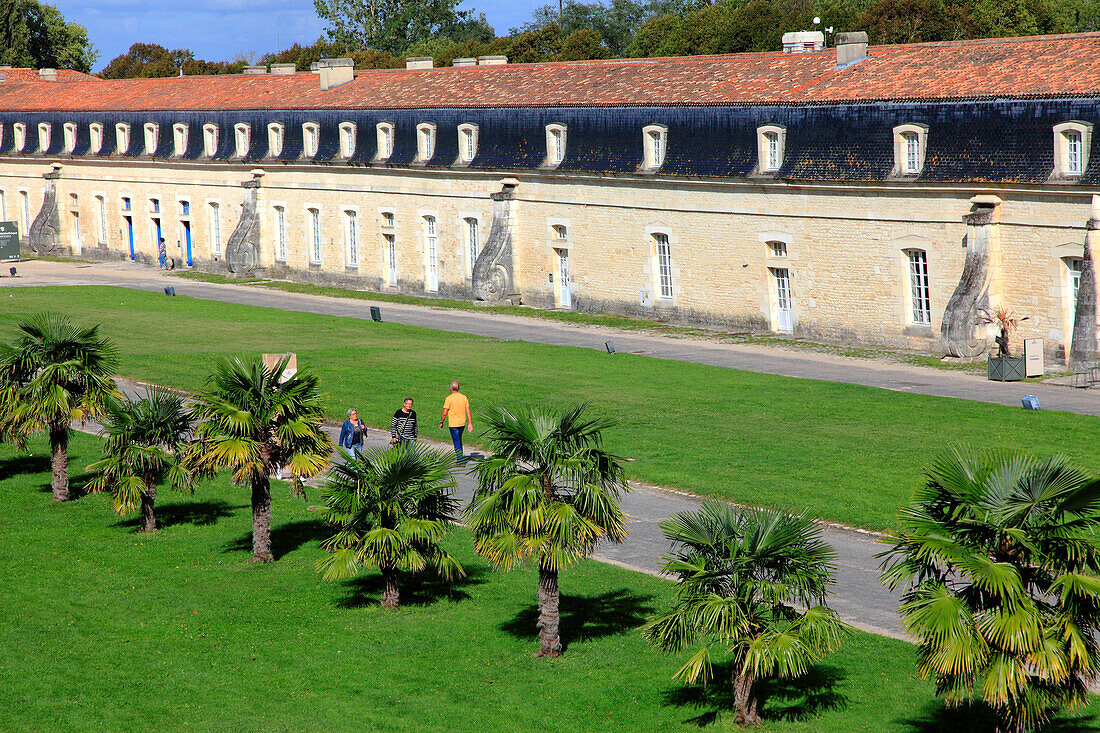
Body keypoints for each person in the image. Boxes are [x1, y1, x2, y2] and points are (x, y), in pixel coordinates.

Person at [439, 381, 472, 464]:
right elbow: (468, 411)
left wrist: (441, 421)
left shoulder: (449, 398)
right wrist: (470, 423)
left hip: (453, 423)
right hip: (462, 422)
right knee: (459, 439)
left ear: (450, 389)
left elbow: (444, 412)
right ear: (458, 388)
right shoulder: (464, 397)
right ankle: (460, 457)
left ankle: (460, 461)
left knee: (456, 441)